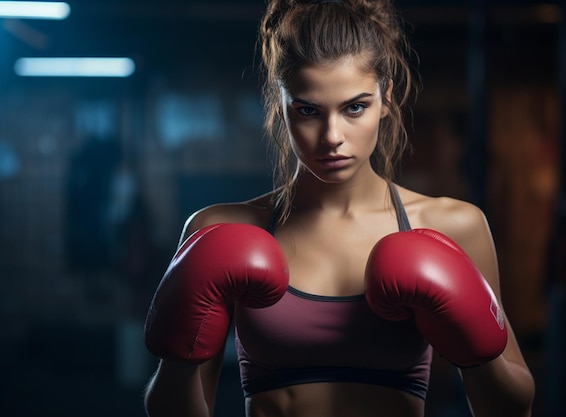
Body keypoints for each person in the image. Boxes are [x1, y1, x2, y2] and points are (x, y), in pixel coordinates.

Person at [142, 0, 536, 416]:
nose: (332, 136)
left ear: (386, 97)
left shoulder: (453, 226)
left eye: (354, 107)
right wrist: (179, 354)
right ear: (280, 104)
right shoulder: (218, 228)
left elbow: (512, 409)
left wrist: (479, 353)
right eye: (309, 110)